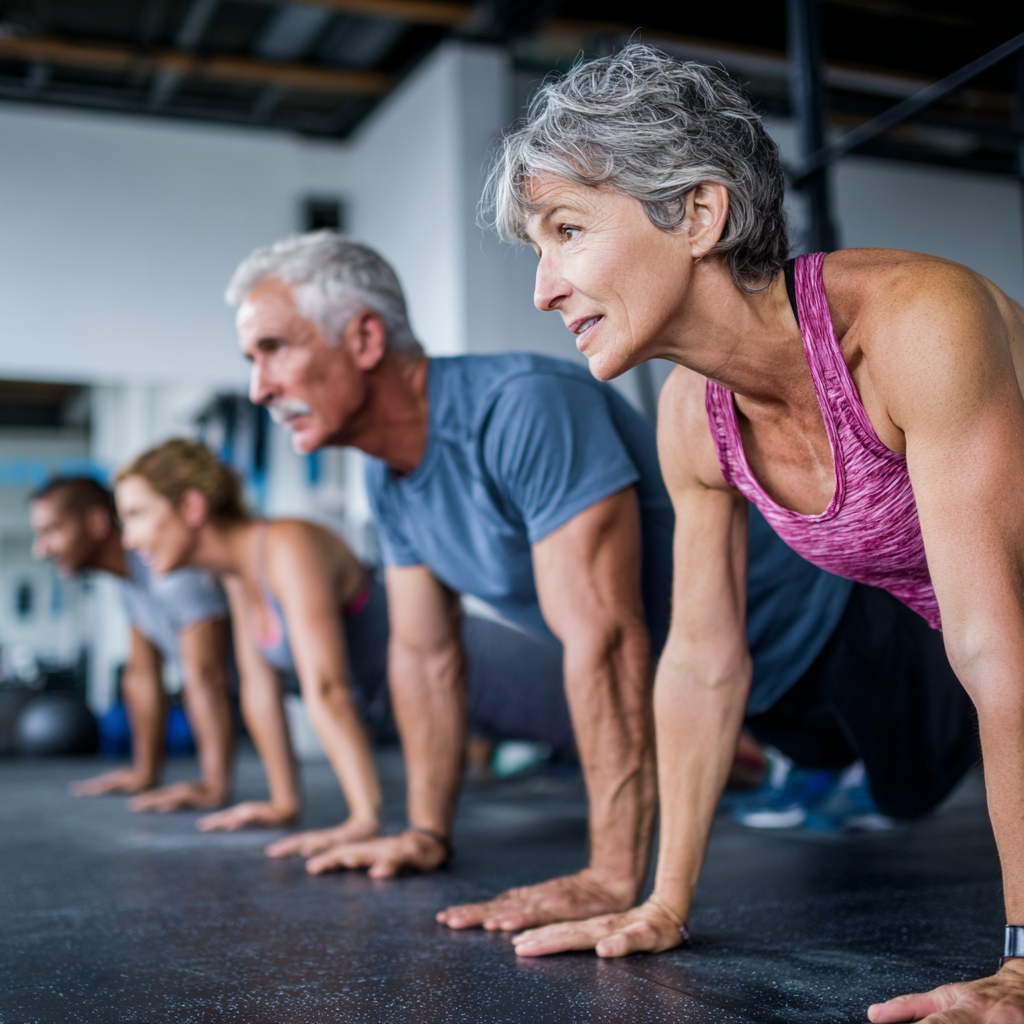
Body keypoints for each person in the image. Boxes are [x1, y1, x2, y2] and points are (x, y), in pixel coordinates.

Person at [486, 43, 1024, 1023]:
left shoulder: (910, 326)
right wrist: (664, 901)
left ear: (697, 212)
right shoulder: (695, 415)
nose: (544, 288)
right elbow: (701, 663)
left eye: (566, 231)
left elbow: (994, 643)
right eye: (537, 248)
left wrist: (1023, 960)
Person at [222, 230, 878, 929]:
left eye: (274, 350)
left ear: (364, 339)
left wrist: (612, 875)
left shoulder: (522, 406)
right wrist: (424, 831)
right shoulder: (389, 477)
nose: (260, 387)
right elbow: (426, 656)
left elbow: (604, 638)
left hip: (843, 647)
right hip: (741, 703)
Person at [113, 438, 583, 848]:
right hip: (437, 708)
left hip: (489, 671)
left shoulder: (286, 545)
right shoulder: (235, 577)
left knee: (613, 733)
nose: (129, 538)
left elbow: (327, 688)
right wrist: (282, 802)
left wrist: (364, 819)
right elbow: (260, 692)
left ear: (192, 507)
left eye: (136, 515)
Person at [29, 476, 232, 812]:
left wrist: (214, 787)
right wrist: (145, 772)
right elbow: (143, 675)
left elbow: (206, 675)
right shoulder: (129, 580)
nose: (42, 549)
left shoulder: (168, 569)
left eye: (52, 531)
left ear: (96, 522)